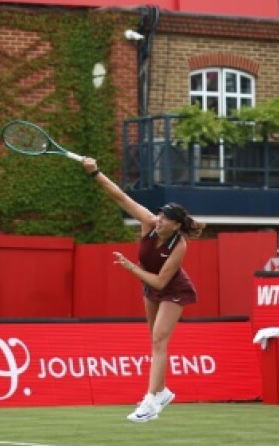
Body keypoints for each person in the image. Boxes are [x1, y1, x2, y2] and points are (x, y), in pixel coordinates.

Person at [83, 156, 200, 423]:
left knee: (160, 340)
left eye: (166, 218)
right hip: (151, 287)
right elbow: (122, 198)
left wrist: (130, 267)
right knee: (155, 342)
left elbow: (161, 282)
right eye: (160, 215)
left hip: (173, 290)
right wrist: (95, 173)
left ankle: (150, 399)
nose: (159, 220)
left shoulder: (179, 246)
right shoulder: (148, 222)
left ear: (176, 226)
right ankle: (162, 392)